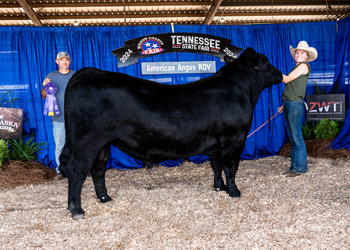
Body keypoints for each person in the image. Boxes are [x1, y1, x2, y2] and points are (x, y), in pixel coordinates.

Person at [278, 41, 318, 177]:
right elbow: (294, 88)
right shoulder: (297, 68)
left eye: (302, 53)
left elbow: (287, 80)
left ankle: (300, 168)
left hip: (294, 105)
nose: (299, 54)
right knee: (293, 137)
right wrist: (284, 105)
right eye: (297, 52)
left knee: (296, 137)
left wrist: (273, 72)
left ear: (306, 56)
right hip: (291, 104)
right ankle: (295, 167)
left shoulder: (303, 66)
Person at [41, 52, 75, 180]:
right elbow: (44, 95)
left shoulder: (75, 75)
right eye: (62, 60)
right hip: (58, 118)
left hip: (74, 118)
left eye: (66, 60)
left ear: (69, 61)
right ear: (57, 62)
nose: (64, 62)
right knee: (60, 145)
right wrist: (45, 86)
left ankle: (75, 169)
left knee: (74, 145)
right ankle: (60, 171)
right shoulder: (51, 76)